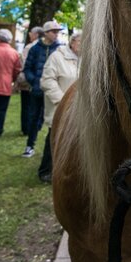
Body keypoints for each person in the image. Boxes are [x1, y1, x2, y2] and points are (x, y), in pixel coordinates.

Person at [37, 33, 80, 183]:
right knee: (54, 136)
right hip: (59, 106)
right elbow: (47, 80)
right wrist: (62, 100)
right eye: (81, 42)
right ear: (73, 42)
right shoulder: (57, 57)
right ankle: (45, 170)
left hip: (79, 109)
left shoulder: (85, 58)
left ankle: (69, 168)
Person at [21, 21, 62, 158]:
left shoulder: (60, 49)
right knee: (33, 118)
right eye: (53, 31)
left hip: (52, 92)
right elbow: (28, 68)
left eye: (57, 32)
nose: (56, 34)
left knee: (54, 120)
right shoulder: (35, 48)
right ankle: (30, 145)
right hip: (37, 91)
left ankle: (53, 151)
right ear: (45, 33)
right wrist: (34, 81)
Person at [18, 26, 44, 136]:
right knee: (38, 107)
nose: (30, 35)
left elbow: (24, 64)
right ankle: (36, 126)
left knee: (27, 106)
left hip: (30, 82)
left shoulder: (30, 47)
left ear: (36, 34)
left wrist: (31, 78)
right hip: (40, 82)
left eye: (31, 33)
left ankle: (27, 128)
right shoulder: (44, 47)